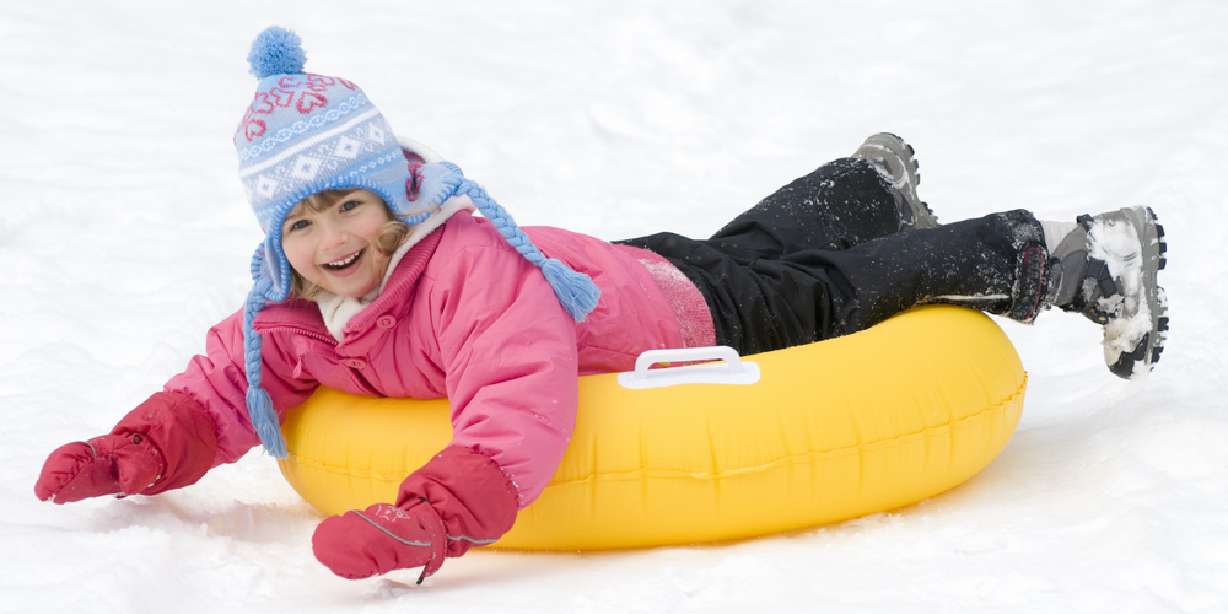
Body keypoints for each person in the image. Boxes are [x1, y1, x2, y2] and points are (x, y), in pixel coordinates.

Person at [32, 27, 1168, 583]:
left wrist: (429, 515)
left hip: (680, 322)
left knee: (821, 292)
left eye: (347, 209)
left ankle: (1070, 255)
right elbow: (218, 387)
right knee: (745, 246)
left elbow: (518, 400)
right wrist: (132, 451)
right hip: (622, 273)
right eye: (299, 225)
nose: (331, 244)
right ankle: (862, 181)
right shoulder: (288, 313)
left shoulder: (466, 272)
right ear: (274, 242)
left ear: (393, 194)